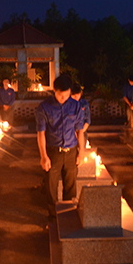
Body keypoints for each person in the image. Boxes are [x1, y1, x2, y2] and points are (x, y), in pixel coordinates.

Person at [36, 74, 85, 218]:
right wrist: (44, 156)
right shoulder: (44, 107)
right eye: (60, 95)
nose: (63, 98)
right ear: (54, 91)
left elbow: (80, 131)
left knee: (70, 187)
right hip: (53, 152)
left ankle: (68, 217)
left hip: (71, 152)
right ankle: (52, 218)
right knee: (51, 187)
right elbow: (41, 133)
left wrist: (81, 152)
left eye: (66, 95)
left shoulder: (75, 106)